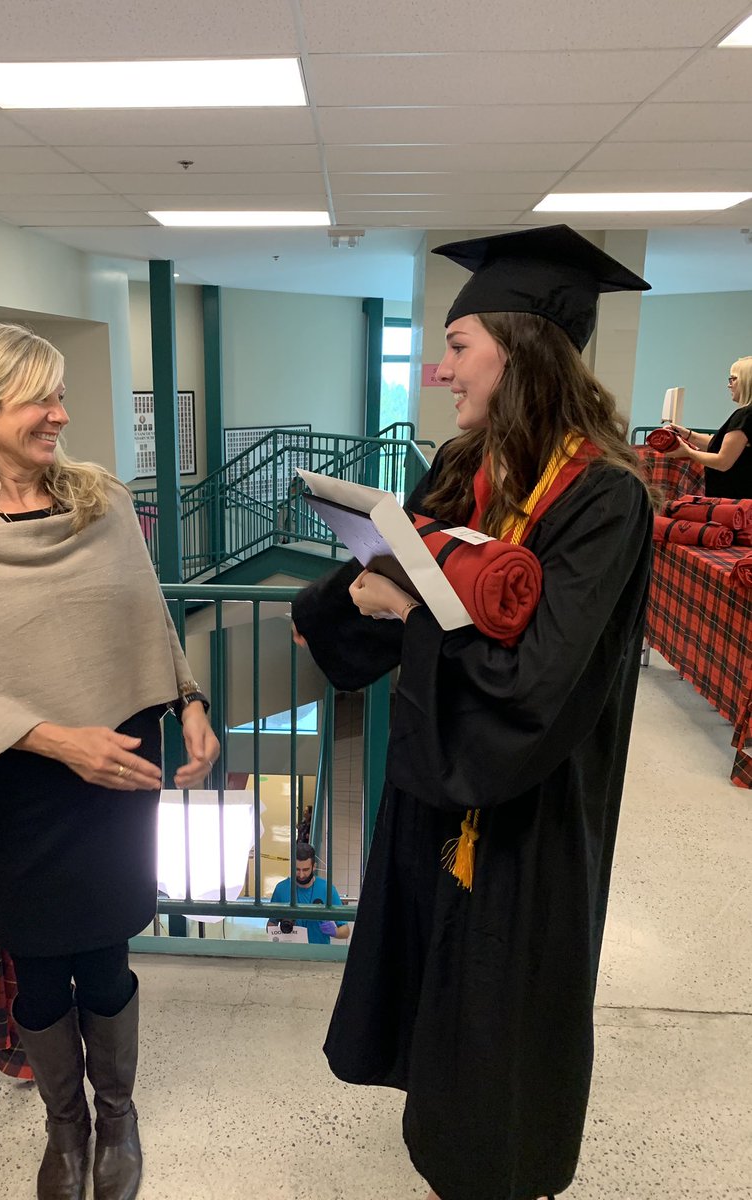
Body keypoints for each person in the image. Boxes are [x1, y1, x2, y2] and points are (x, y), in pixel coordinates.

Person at [291, 226, 654, 1200]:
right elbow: (377, 581)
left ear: (521, 345)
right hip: (434, 797)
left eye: (456, 347)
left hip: (525, 820)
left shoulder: (605, 500)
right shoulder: (463, 467)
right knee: (438, 1031)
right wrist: (340, 608)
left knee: (499, 1054)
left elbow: (536, 687)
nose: (440, 371)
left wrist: (406, 608)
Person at [0, 323, 220, 1200]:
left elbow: (146, 615)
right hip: (22, 781)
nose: (60, 415)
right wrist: (52, 738)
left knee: (107, 950)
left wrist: (189, 700)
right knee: (36, 959)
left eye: (59, 396)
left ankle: (118, 1118)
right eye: (41, 398)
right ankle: (63, 1128)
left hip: (118, 768)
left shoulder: (100, 503)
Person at [665, 356, 752, 498]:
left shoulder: (745, 416)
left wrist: (688, 452)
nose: (729, 385)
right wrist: (688, 435)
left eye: (733, 379)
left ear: (747, 381)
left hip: (734, 501)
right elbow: (720, 446)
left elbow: (723, 461)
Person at [266, 842, 350, 944]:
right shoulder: (281, 889)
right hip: (290, 953)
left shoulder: (327, 889)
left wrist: (335, 931)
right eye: (297, 869)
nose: (301, 875)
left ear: (314, 866)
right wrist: (277, 931)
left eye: (305, 870)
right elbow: (271, 925)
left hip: (319, 954)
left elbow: (345, 931)